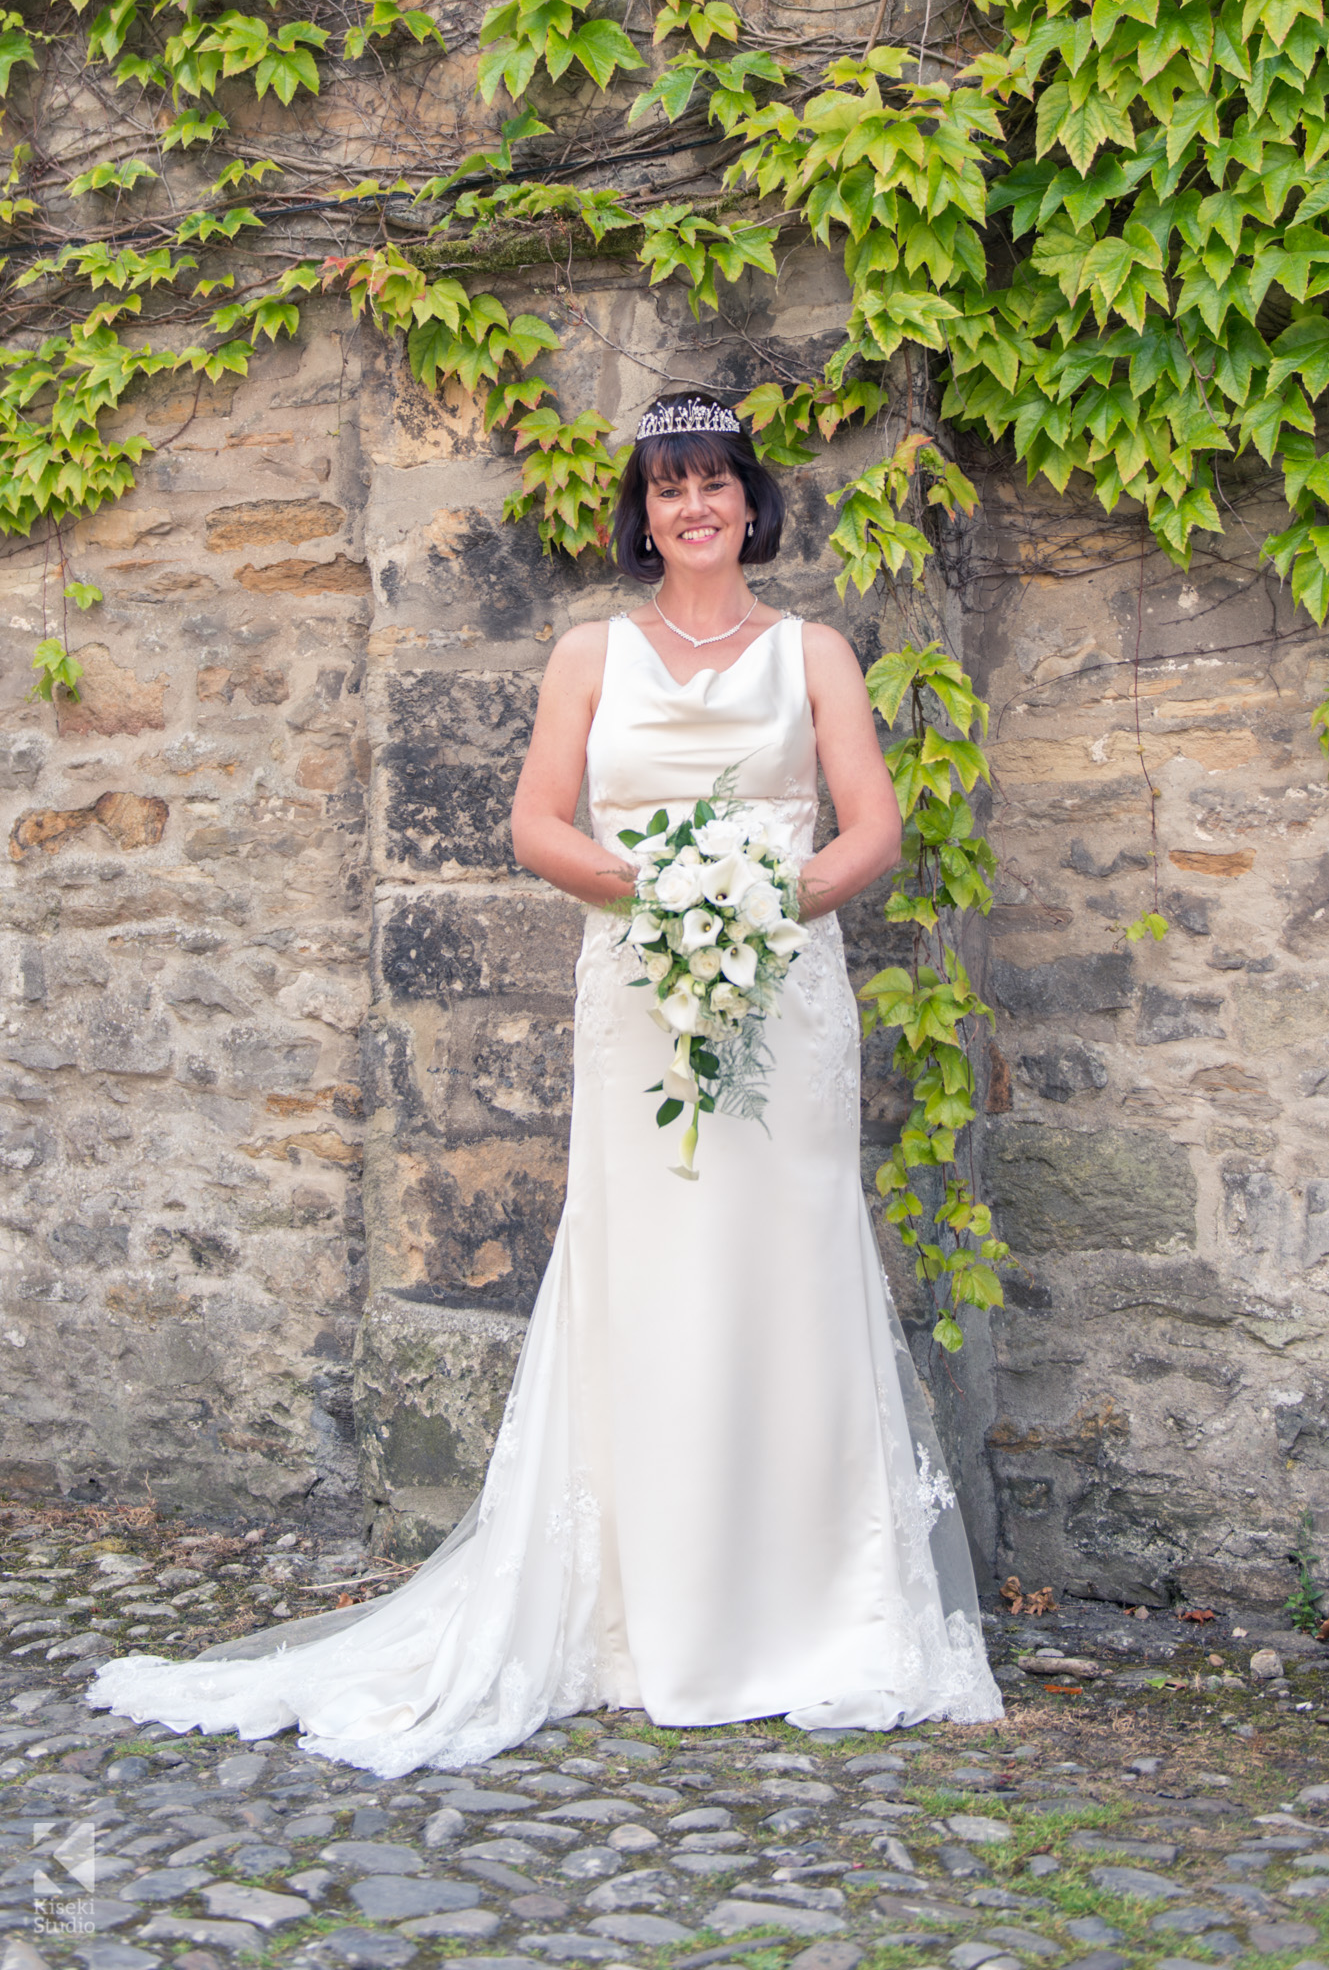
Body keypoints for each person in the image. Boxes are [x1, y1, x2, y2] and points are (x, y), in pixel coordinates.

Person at [84, 392, 1002, 1774]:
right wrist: (671, 898)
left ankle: (816, 1605)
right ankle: (648, 1610)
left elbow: (871, 826)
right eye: (667, 489)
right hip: (637, 995)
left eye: (715, 485)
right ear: (641, 516)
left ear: (753, 503)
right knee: (657, 1267)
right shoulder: (591, 654)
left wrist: (761, 903)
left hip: (787, 996)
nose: (693, 509)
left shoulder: (815, 653)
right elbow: (532, 823)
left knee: (784, 1264)